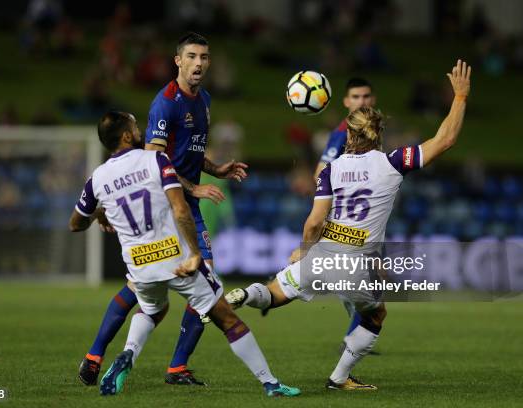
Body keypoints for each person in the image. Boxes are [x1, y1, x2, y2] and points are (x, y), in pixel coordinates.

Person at [226, 60, 471, 390]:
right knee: (376, 315)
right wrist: (460, 97)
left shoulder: (332, 168)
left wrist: (303, 249)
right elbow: (444, 140)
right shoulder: (392, 162)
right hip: (355, 263)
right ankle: (339, 378)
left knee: (273, 294)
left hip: (322, 254)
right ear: (378, 132)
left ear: (349, 134)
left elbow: (314, 221)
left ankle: (245, 293)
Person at [69, 111, 300, 397]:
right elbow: (180, 209)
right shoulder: (155, 160)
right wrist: (194, 254)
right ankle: (271, 383)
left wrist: (99, 215)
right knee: (228, 319)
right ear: (127, 136)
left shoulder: (97, 178)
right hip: (175, 259)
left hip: (140, 267)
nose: (141, 129)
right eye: (135, 126)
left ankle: (127, 353)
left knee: (155, 309)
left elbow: (76, 223)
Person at [78, 32, 248, 387]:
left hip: (190, 203)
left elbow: (191, 151)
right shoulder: (165, 104)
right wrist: (194, 186)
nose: (199, 63)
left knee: (145, 287)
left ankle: (106, 358)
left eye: (204, 56)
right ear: (178, 61)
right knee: (199, 284)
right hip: (169, 205)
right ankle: (160, 365)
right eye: (192, 56)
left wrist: (216, 170)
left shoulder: (203, 100)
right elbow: (157, 158)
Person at [313, 77, 377, 349]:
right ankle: (353, 339)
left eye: (366, 96)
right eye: (356, 97)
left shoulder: (372, 132)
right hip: (349, 218)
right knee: (366, 285)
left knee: (360, 284)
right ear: (346, 102)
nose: (361, 101)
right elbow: (320, 172)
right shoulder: (342, 133)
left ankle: (354, 335)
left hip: (366, 215)